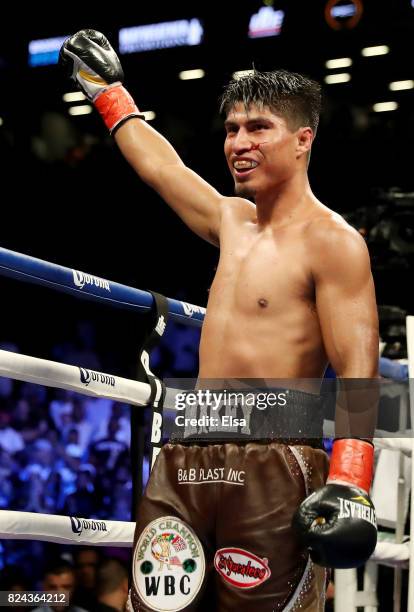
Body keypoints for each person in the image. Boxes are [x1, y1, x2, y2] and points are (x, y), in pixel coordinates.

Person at [60, 30, 379, 612]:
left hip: (276, 459)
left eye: (259, 128)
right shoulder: (232, 221)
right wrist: (106, 91)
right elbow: (163, 168)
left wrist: (351, 481)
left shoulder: (333, 243)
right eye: (233, 129)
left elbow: (358, 370)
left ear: (303, 139)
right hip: (185, 452)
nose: (239, 142)